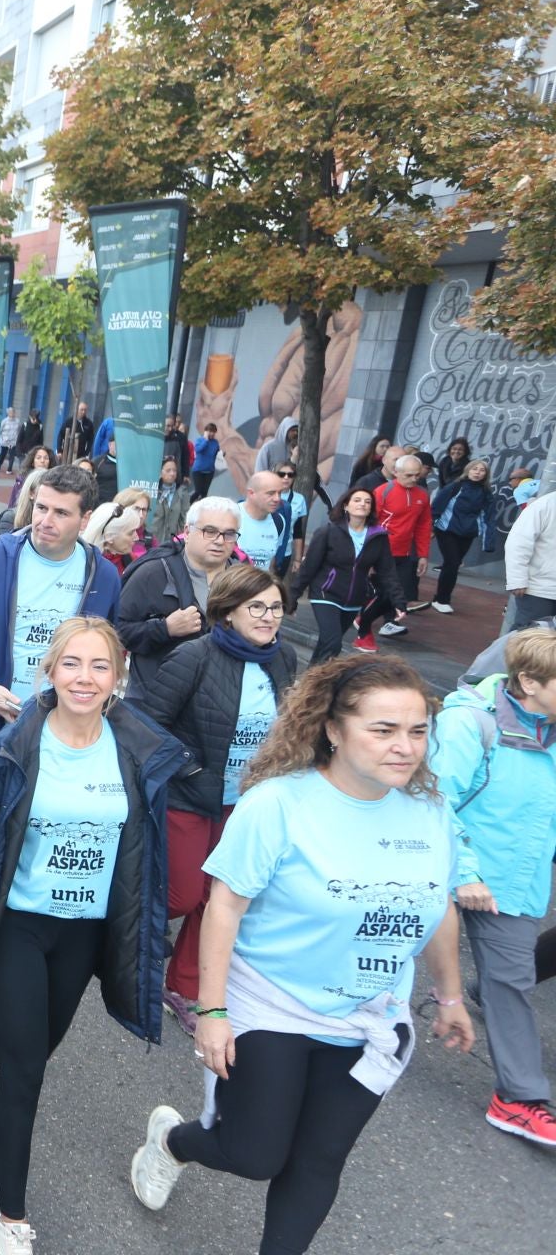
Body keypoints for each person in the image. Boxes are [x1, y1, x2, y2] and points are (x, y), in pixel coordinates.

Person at [126, 657, 476, 1255]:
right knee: (254, 1155)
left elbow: (439, 905)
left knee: (318, 1163)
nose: (405, 747)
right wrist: (212, 1012)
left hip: (370, 1014)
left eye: (418, 731)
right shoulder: (278, 805)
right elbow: (224, 907)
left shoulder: (431, 810)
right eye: (384, 729)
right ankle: (173, 1143)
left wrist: (450, 996)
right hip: (274, 1003)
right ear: (334, 731)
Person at [0, 618, 187, 1255]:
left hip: (86, 931)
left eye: (99, 666)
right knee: (29, 1074)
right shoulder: (13, 748)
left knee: (34, 1051)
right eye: (72, 664)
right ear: (50, 671)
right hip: (18, 923)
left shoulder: (139, 751)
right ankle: (9, 1220)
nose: (84, 678)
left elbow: (147, 849)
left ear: (118, 675)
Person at [136, 565, 298, 1028]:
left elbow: (290, 724)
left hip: (246, 801)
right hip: (189, 794)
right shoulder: (193, 657)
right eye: (257, 608)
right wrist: (188, 767)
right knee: (183, 895)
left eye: (276, 608)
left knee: (220, 895)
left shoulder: (282, 660)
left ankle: (183, 986)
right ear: (227, 612)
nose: (269, 617)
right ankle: (122, 920)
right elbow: (151, 725)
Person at [0, 465, 120, 829]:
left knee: (21, 834)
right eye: (41, 507)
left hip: (51, 727)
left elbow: (107, 651)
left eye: (61, 512)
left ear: (86, 517)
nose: (45, 519)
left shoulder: (103, 575)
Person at [428, 628, 556, 1145]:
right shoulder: (468, 724)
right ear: (528, 681)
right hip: (453, 870)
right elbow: (434, 801)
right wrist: (467, 874)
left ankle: (518, 1099)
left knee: (510, 979)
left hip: (516, 882)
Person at [116, 496, 241, 690]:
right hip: (154, 699)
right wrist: (164, 628)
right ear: (187, 532)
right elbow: (116, 632)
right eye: (209, 531)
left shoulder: (243, 580)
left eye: (229, 534)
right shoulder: (153, 572)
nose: (219, 541)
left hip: (216, 699)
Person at [289, 487, 405, 662]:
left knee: (327, 644)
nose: (362, 504)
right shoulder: (328, 532)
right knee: (333, 642)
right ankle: (317, 683)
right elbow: (309, 567)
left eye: (367, 502)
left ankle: (310, 680)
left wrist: (399, 601)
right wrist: (292, 597)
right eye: (357, 500)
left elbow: (387, 572)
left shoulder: (378, 537)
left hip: (354, 599)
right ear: (346, 506)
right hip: (325, 594)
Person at [363, 455, 431, 637]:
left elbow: (424, 526)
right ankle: (364, 618)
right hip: (381, 549)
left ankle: (389, 622)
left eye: (417, 475)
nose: (414, 479)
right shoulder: (383, 491)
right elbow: (370, 523)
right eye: (408, 475)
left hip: (405, 551)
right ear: (396, 472)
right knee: (382, 588)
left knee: (397, 588)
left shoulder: (422, 495)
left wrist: (423, 555)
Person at [427, 457, 494, 614]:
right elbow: (436, 506)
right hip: (446, 529)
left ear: (486, 474)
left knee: (454, 565)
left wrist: (488, 542)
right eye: (474, 469)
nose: (477, 473)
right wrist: (430, 527)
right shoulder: (456, 486)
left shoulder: (486, 493)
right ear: (468, 470)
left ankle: (441, 597)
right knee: (452, 563)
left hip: (467, 533)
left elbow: (488, 517)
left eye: (481, 470)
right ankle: (441, 599)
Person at [505, 486, 556, 632]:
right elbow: (518, 543)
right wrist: (517, 580)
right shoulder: (545, 504)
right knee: (526, 640)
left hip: (542, 586)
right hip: (540, 589)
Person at [233, 471, 291, 573]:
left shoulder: (279, 521)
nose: (277, 499)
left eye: (280, 493)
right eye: (270, 493)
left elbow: (272, 559)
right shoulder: (231, 516)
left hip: (261, 585)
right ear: (251, 493)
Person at [147, 457, 189, 546]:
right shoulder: (152, 492)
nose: (172, 473)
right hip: (154, 540)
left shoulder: (182, 492)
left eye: (174, 471)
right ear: (160, 473)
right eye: (168, 470)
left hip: (174, 541)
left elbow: (185, 517)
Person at [190, 423, 221, 501]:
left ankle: (201, 510)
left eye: (214, 432)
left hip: (209, 471)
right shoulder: (200, 440)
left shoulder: (215, 442)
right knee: (198, 491)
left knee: (204, 493)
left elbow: (216, 453)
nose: (212, 434)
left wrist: (221, 454)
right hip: (198, 470)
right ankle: (188, 505)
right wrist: (206, 440)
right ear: (206, 432)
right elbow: (198, 450)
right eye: (210, 431)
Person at [0, 408, 22, 473]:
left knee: (12, 456)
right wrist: (1, 439)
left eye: (13, 412)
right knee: (3, 455)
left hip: (13, 442)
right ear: (8, 413)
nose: (12, 413)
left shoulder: (17, 421)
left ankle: (9, 469)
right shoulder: (4, 421)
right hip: (5, 441)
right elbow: (0, 430)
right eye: (10, 412)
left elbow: (19, 430)